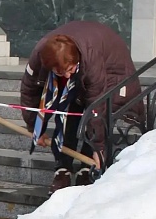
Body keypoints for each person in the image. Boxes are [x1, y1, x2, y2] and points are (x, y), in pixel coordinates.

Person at [20, 20, 144, 195]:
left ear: (76, 59)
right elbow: (29, 91)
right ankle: (62, 169)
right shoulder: (40, 56)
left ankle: (87, 169)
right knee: (65, 113)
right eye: (61, 72)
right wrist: (35, 128)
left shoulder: (90, 58)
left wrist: (98, 148)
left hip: (111, 73)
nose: (67, 75)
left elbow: (97, 106)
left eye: (70, 69)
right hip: (83, 66)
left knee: (91, 115)